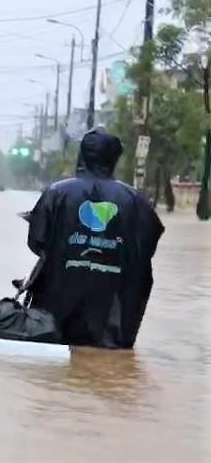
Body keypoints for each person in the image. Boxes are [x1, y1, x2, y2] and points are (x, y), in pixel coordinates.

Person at [25, 127, 164, 349]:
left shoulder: (56, 193)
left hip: (57, 312)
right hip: (112, 320)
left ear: (82, 154)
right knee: (109, 365)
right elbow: (147, 247)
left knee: (56, 362)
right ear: (115, 158)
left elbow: (36, 242)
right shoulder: (135, 201)